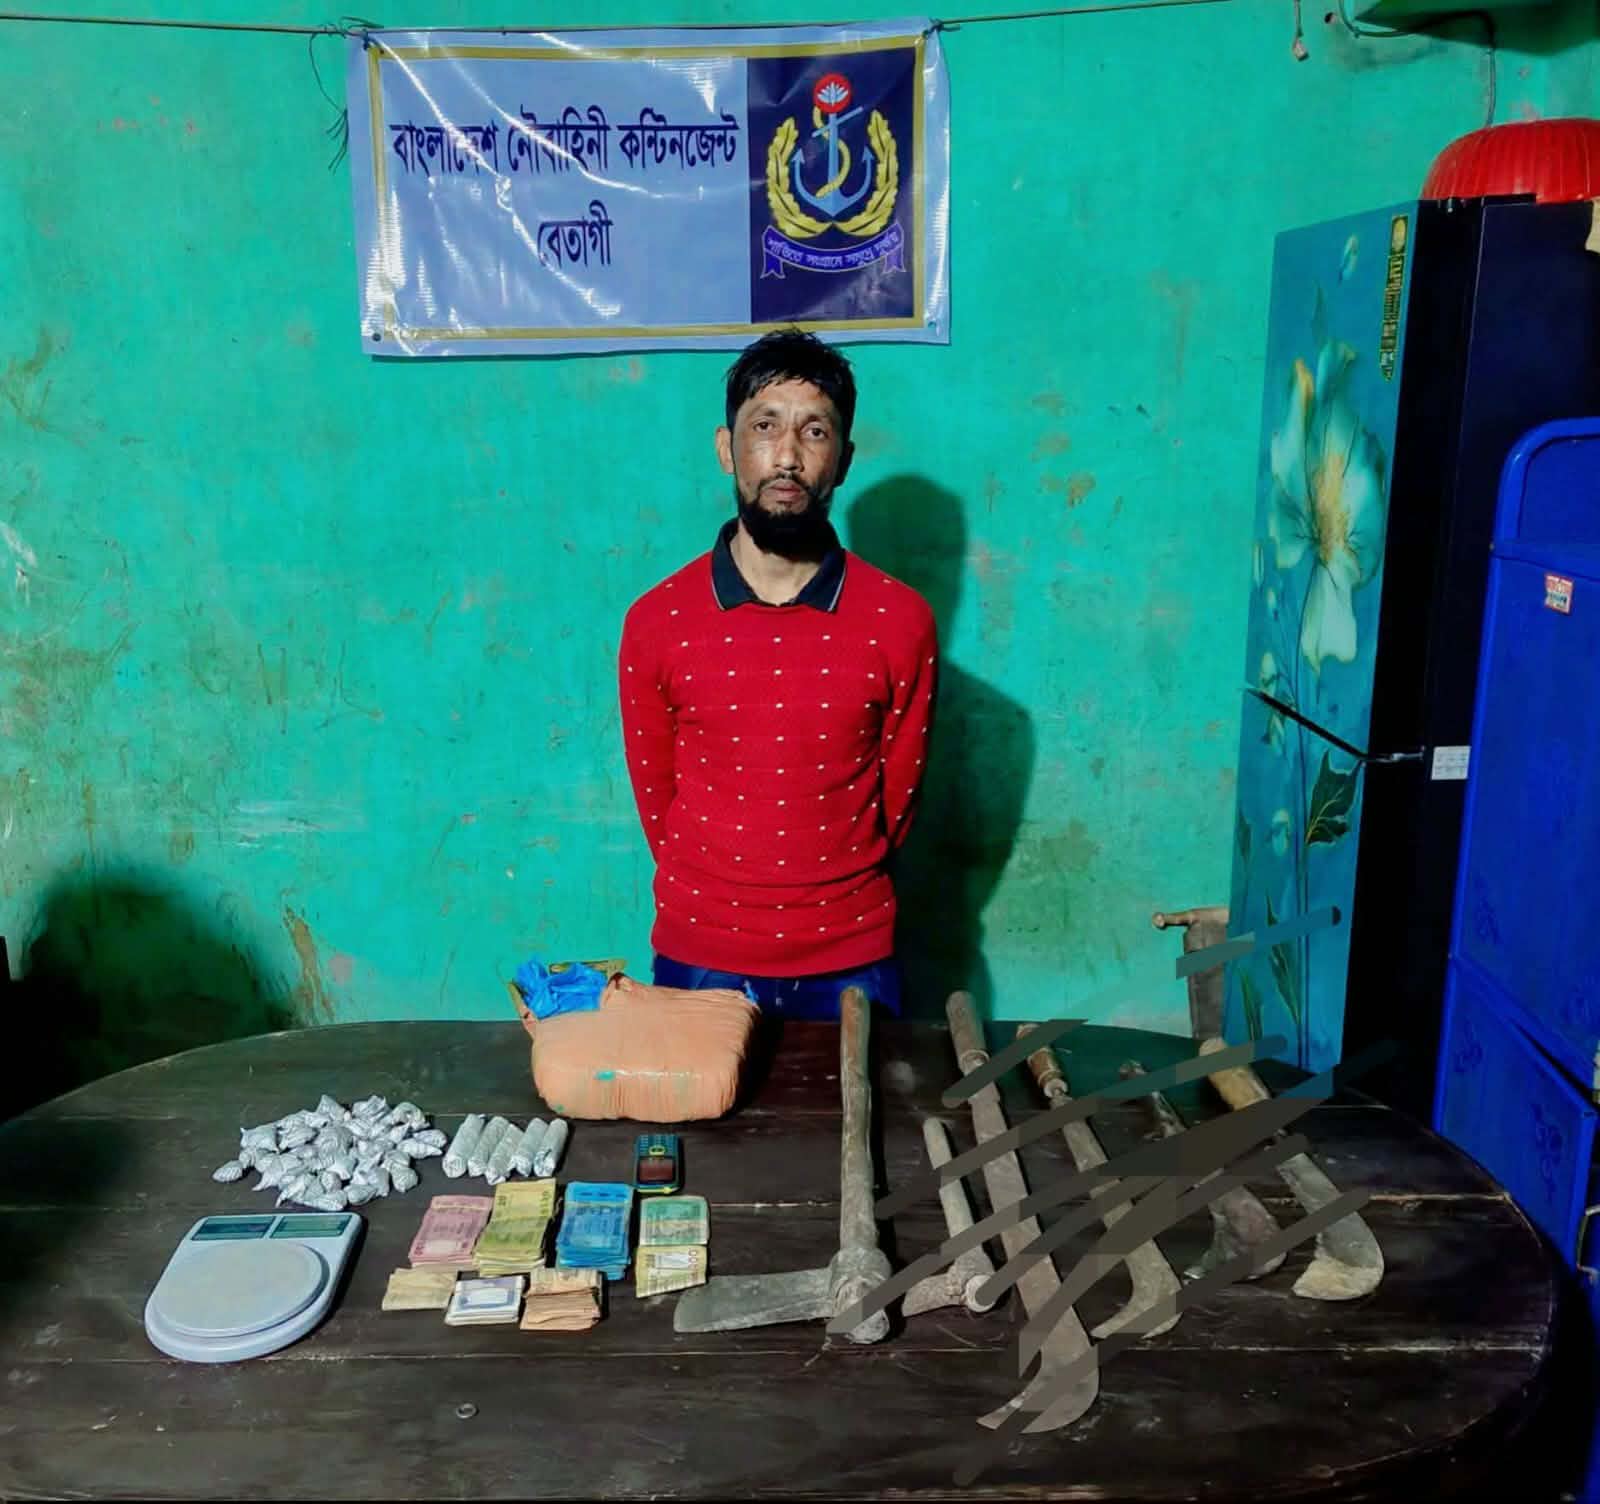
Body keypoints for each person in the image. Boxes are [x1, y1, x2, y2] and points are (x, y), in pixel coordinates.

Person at [617, 329, 939, 1019]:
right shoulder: (656, 620)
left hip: (854, 958)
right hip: (700, 958)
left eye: (814, 431)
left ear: (843, 460)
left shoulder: (901, 620)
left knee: (868, 1095)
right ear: (726, 448)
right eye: (764, 426)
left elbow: (896, 804)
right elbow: (659, 801)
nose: (787, 456)